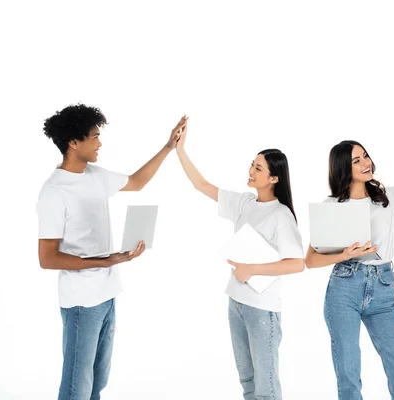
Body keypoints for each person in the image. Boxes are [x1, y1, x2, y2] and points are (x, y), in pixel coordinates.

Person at [36, 104, 186, 400]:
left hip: (106, 295)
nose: (100, 143)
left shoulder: (95, 175)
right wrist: (107, 260)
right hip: (81, 303)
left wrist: (168, 147)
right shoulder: (54, 192)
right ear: (73, 142)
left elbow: (137, 182)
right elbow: (47, 258)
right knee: (76, 387)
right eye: (94, 136)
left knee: (97, 383)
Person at [305, 109, 394, 400]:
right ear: (343, 169)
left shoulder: (388, 197)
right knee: (348, 375)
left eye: (365, 156)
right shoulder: (332, 204)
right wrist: (344, 253)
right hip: (343, 288)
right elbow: (310, 260)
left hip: (383, 288)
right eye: (356, 160)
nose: (365, 163)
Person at [175, 120, 304, 400]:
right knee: (247, 383)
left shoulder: (281, 215)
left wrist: (253, 269)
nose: (251, 170)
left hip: (262, 310)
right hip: (236, 303)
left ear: (274, 178)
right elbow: (202, 185)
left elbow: (296, 263)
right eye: (252, 165)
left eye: (258, 168)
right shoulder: (245, 203)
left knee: (265, 388)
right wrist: (180, 150)